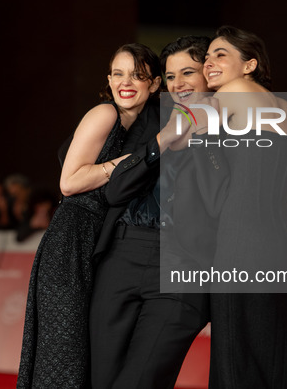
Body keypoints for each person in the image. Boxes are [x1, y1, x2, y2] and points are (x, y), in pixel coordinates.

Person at [16, 43, 162, 388]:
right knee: (62, 349)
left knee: (83, 352)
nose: (126, 82)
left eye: (137, 75)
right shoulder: (105, 114)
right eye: (118, 74)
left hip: (99, 243)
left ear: (154, 84)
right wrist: (133, 161)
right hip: (71, 241)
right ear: (108, 80)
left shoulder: (140, 125)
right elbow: (69, 183)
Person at [89, 36, 218, 389]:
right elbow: (116, 190)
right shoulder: (149, 120)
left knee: (141, 379)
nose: (179, 84)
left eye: (188, 72)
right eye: (172, 76)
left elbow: (220, 199)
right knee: (102, 379)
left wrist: (204, 135)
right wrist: (163, 140)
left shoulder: (233, 127)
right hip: (122, 254)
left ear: (209, 74)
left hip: (185, 263)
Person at [202, 26, 287, 388]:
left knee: (237, 359)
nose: (208, 63)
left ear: (249, 65)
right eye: (207, 56)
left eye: (221, 54)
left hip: (241, 245)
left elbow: (184, 135)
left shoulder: (231, 93)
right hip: (283, 244)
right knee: (278, 360)